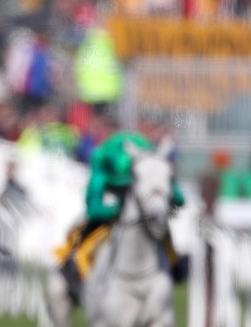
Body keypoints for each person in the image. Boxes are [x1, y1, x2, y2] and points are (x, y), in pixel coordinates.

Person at [55, 130, 186, 303]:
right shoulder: (103, 160)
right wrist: (110, 211)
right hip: (108, 219)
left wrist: (170, 199)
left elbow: (176, 196)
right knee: (83, 240)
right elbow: (92, 206)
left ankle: (175, 266)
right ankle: (76, 277)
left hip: (141, 216)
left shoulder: (148, 161)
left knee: (163, 232)